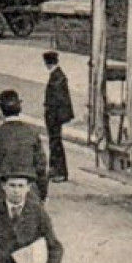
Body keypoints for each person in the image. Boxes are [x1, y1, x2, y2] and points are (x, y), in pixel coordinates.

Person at [0, 89, 48, 203]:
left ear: (1, 109)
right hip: (28, 191)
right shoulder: (32, 133)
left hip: (2, 190)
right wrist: (42, 194)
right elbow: (41, 166)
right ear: (19, 108)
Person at [42, 51, 74, 183]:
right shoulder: (58, 75)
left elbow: (57, 99)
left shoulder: (57, 77)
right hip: (54, 115)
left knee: (55, 142)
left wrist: (51, 113)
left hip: (55, 116)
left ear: (48, 63)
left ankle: (60, 171)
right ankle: (55, 169)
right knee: (54, 142)